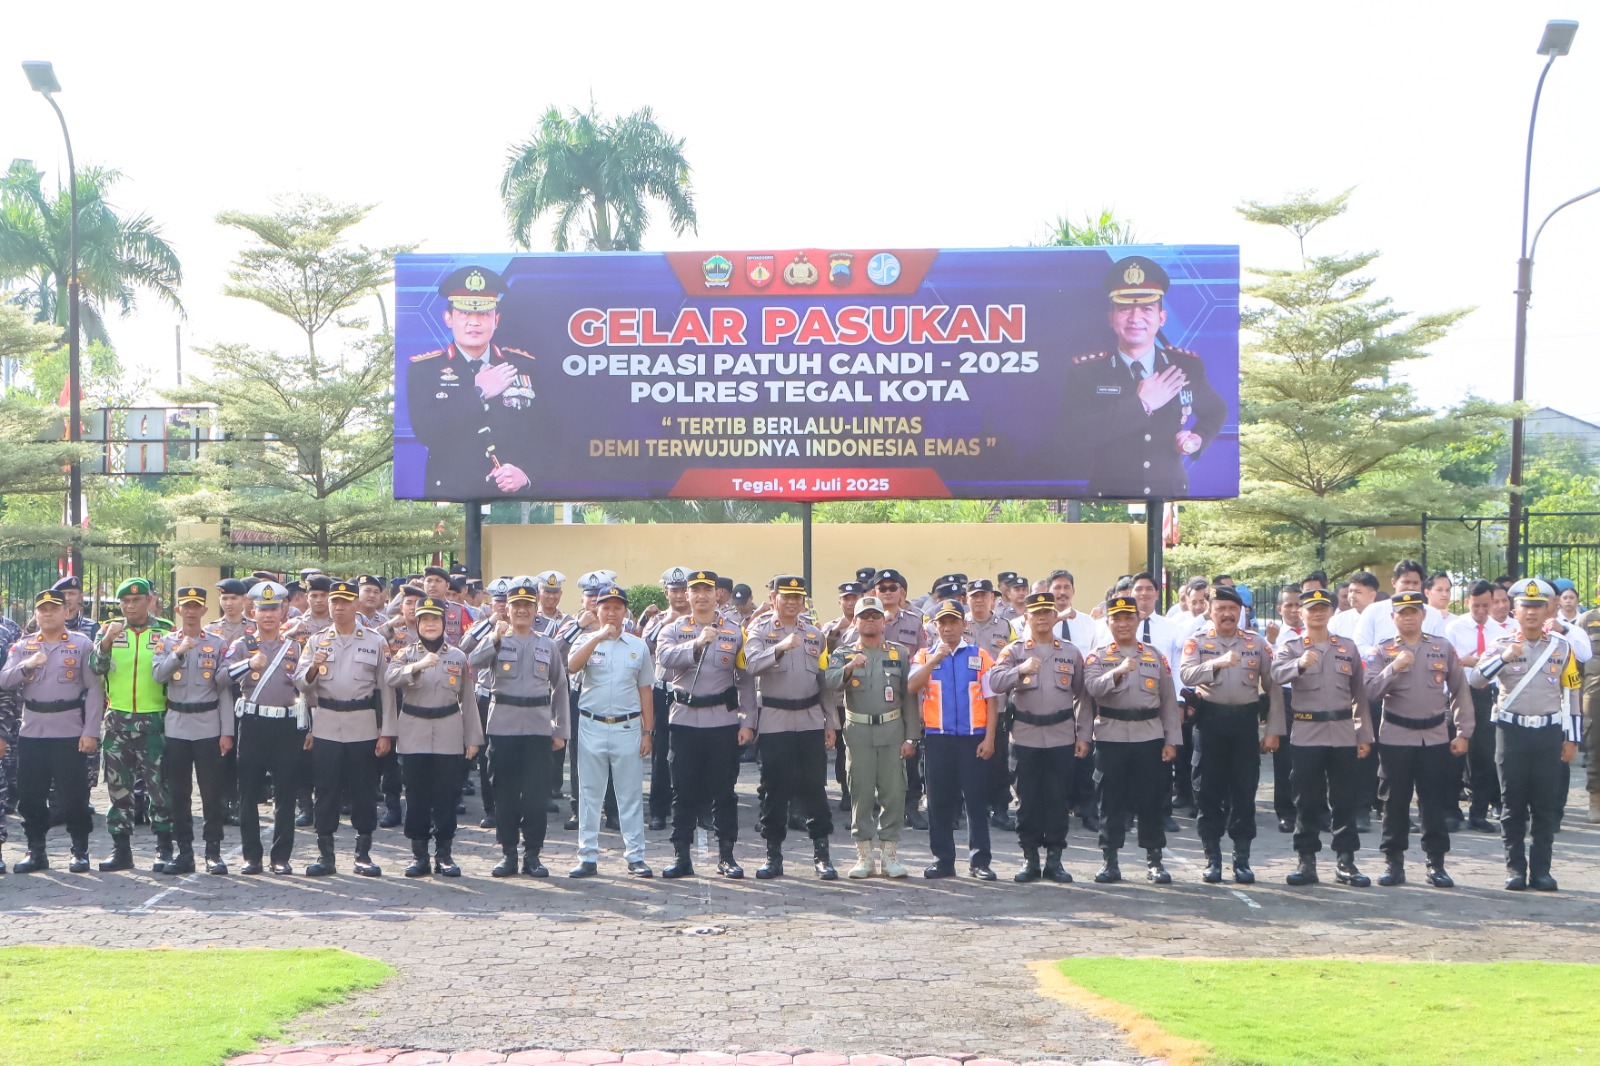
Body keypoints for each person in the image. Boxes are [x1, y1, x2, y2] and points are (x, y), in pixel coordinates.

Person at [1063, 255, 1227, 498]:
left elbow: (1216, 411)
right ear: (1111, 318)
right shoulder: (1086, 372)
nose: (1135, 318)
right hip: (1107, 499)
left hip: (1171, 495)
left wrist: (1197, 439)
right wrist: (1142, 404)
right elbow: (1075, 434)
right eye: (1125, 309)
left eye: (1147, 309)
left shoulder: (1185, 366)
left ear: (1162, 319)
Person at [1470, 579, 1583, 891]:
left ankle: (1542, 871)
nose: (1531, 612)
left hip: (1548, 733)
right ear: (1514, 610)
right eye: (1525, 606)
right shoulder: (1500, 644)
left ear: (1547, 609)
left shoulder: (1561, 648)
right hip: (1512, 732)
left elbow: (1572, 693)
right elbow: (1476, 679)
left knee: (1545, 806)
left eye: (1537, 606)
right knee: (1513, 804)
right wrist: (1504, 658)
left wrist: (1572, 738)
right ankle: (1515, 869)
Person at [1363, 590, 1472, 888]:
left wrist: (1463, 732)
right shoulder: (1383, 651)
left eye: (1414, 612)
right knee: (1394, 802)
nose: (1408, 617)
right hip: (1396, 737)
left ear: (1423, 615)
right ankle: (1393, 863)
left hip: (1435, 736)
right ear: (1393, 618)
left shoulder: (1442, 648)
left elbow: (1460, 691)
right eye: (1402, 613)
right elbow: (1369, 691)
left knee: (1433, 802)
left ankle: (1436, 863)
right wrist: (1393, 668)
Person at [1268, 587, 1373, 888]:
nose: (1317, 613)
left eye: (1323, 608)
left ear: (1330, 612)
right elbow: (1275, 676)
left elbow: (1359, 696)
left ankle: (1346, 861)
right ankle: (1306, 860)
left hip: (1341, 733)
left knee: (1344, 800)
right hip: (1306, 733)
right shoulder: (1291, 647)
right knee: (1307, 801)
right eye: (1311, 608)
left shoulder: (1347, 648)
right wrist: (1299, 664)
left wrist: (1363, 734)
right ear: (1300, 613)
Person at [405, 265, 538, 499]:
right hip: (450, 495)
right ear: (448, 318)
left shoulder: (524, 366)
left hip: (512, 498)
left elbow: (547, 433)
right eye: (465, 313)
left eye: (483, 314)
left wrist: (527, 475)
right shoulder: (424, 369)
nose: (474, 323)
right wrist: (478, 393)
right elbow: (427, 431)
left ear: (496, 319)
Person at [468, 576, 571, 878]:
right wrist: (494, 639)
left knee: (536, 795)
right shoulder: (498, 641)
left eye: (528, 605)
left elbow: (560, 687)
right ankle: (508, 853)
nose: (522, 611)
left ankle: (533, 855)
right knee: (506, 793)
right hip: (503, 727)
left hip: (538, 728)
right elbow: (472, 661)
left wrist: (560, 730)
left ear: (536, 608)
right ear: (507, 610)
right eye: (516, 606)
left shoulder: (548, 645)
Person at [293, 579, 394, 877]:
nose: (338, 607)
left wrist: (386, 731)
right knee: (325, 790)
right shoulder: (317, 641)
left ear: (355, 605)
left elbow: (386, 692)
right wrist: (314, 667)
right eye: (334, 602)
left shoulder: (375, 641)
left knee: (364, 789)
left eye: (345, 602)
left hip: (363, 724)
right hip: (326, 723)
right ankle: (326, 855)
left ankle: (363, 854)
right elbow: (300, 683)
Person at [987, 592, 1090, 883]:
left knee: (1058, 799)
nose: (1043, 617)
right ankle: (1030, 858)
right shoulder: (1013, 651)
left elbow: (1083, 695)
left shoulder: (1070, 652)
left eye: (1048, 612)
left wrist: (1083, 734)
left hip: (1061, 735)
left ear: (1055, 616)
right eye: (1036, 613)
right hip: (1025, 736)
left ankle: (1055, 859)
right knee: (1028, 800)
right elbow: (994, 682)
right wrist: (1019, 670)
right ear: (1027, 618)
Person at [1180, 585, 1279, 885]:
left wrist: (1273, 730)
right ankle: (1212, 858)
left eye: (1233, 609)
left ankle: (1242, 859)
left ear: (1241, 612)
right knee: (1207, 792)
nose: (1227, 614)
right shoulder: (1197, 642)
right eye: (1221, 608)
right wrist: (1216, 663)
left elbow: (1273, 687)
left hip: (1245, 725)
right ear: (1210, 610)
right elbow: (1186, 675)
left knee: (1244, 791)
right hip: (1210, 723)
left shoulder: (1256, 644)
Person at [0, 588, 104, 873]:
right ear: (36, 614)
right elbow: (4, 680)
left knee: (74, 796)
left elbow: (94, 688)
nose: (47, 614)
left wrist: (91, 730)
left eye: (53, 609)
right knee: (31, 797)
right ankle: (36, 851)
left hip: (70, 728)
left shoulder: (82, 644)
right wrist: (27, 665)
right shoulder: (23, 646)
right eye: (42, 609)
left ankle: (79, 851)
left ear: (65, 612)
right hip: (33, 730)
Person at [742, 575, 837, 880]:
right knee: (774, 788)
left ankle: (822, 854)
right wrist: (779, 648)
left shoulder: (814, 634)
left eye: (798, 597)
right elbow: (751, 665)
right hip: (775, 718)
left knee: (815, 788)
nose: (793, 602)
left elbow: (823, 681)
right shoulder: (759, 630)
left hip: (810, 717)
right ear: (773, 599)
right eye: (786, 596)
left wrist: (830, 722)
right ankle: (773, 855)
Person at [1083, 594, 1181, 884]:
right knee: (1110, 802)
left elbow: (1167, 701)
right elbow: (1091, 690)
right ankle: (1110, 861)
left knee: (1151, 801)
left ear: (1138, 620)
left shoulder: (1154, 656)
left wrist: (1171, 740)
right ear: (1108, 622)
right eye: (1117, 618)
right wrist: (1118, 671)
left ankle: (1155, 861)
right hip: (1111, 735)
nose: (1123, 623)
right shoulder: (1098, 656)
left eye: (1129, 618)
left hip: (1148, 736)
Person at [382, 596, 482, 878]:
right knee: (416, 796)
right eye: (424, 620)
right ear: (417, 624)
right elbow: (390, 679)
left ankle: (445, 854)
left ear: (443, 624)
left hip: (449, 729)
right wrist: (418, 666)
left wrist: (473, 738)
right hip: (414, 729)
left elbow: (468, 700)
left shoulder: (458, 656)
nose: (429, 625)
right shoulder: (405, 654)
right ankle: (419, 855)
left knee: (446, 795)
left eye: (434, 620)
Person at [655, 571, 746, 879]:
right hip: (684, 720)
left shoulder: (734, 630)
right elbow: (665, 658)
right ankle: (681, 854)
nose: (702, 596)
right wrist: (696, 644)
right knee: (683, 790)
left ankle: (727, 855)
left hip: (722, 720)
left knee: (724, 790)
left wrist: (749, 720)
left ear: (717, 594)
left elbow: (745, 680)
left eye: (708, 590)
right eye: (696, 590)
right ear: (688, 595)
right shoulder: (674, 629)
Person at [824, 595, 919, 878]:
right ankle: (864, 857)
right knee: (861, 792)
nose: (870, 621)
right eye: (864, 616)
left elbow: (909, 697)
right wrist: (850, 667)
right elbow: (828, 681)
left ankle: (890, 856)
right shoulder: (843, 653)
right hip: (859, 731)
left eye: (875, 616)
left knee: (894, 792)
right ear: (855, 621)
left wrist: (912, 736)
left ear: (883, 621)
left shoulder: (899, 653)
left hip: (892, 730)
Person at [565, 584, 653, 878]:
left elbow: (645, 691)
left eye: (617, 607)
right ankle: (587, 855)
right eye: (606, 607)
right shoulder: (587, 641)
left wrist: (647, 731)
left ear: (626, 611)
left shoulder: (638, 646)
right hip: (592, 723)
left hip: (627, 726)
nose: (612, 613)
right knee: (589, 793)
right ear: (597, 611)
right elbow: (572, 667)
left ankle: (636, 856)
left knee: (629, 794)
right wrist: (598, 637)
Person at [91, 578, 175, 873]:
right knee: (118, 789)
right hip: (118, 722)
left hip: (155, 721)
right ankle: (121, 849)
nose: (129, 606)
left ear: (150, 600)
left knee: (160, 788)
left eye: (136, 600)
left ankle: (164, 847)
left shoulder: (165, 631)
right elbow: (96, 668)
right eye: (124, 601)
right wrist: (106, 642)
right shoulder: (109, 631)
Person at [224, 581, 308, 875]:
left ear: (283, 610)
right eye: (263, 609)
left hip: (285, 724)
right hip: (253, 722)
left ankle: (281, 857)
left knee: (286, 793)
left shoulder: (294, 646)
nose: (269, 615)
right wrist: (248, 663)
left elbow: (306, 687)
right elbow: (222, 678)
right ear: (253, 611)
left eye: (274, 608)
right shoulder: (242, 645)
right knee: (248, 792)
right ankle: (252, 857)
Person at [150, 587, 234, 876]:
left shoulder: (218, 644)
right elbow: (158, 675)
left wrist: (227, 731)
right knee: (179, 793)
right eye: (185, 606)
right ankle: (184, 851)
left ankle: (213, 851)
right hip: (177, 724)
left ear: (204, 611)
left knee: (212, 793)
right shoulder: (165, 642)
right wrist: (178, 652)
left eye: (196, 606)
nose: (190, 611)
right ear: (177, 610)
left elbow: (223, 690)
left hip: (208, 724)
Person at [1444, 580, 1510, 832]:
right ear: (1466, 602)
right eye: (1476, 606)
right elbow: (1445, 662)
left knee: (1484, 756)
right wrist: (1465, 662)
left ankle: (1479, 812)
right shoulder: (1454, 628)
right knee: (1455, 754)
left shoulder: (1502, 631)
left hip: (1488, 696)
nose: (1481, 611)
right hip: (1459, 693)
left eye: (1486, 605)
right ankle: (1450, 811)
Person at [643, 567, 690, 830]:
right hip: (663, 691)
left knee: (691, 752)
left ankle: (690, 807)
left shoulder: (700, 620)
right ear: (666, 593)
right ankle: (659, 810)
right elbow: (645, 645)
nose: (680, 595)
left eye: (684, 590)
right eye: (674, 590)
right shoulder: (657, 619)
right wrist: (665, 621)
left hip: (691, 692)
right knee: (661, 753)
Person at [1270, 586, 1305, 833]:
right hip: (1285, 697)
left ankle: (1313, 809)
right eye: (1289, 605)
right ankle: (1286, 811)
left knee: (1312, 756)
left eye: (1297, 605)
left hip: (1312, 697)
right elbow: (1270, 671)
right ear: (1279, 608)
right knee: (1284, 758)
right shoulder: (1272, 636)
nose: (1294, 611)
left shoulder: (1317, 633)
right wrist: (1272, 643)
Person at [1575, 581, 1600, 824]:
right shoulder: (1587, 620)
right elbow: (1578, 660)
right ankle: (1596, 798)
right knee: (1596, 745)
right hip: (1595, 692)